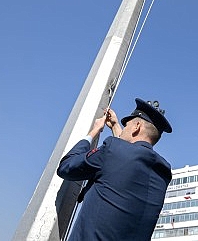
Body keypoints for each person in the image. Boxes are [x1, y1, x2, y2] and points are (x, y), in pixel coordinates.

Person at [57, 98, 173, 241]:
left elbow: (66, 167)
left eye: (126, 126)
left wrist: (94, 131)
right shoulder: (163, 172)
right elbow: (125, 162)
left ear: (137, 126)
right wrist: (115, 126)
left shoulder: (113, 149)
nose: (123, 130)